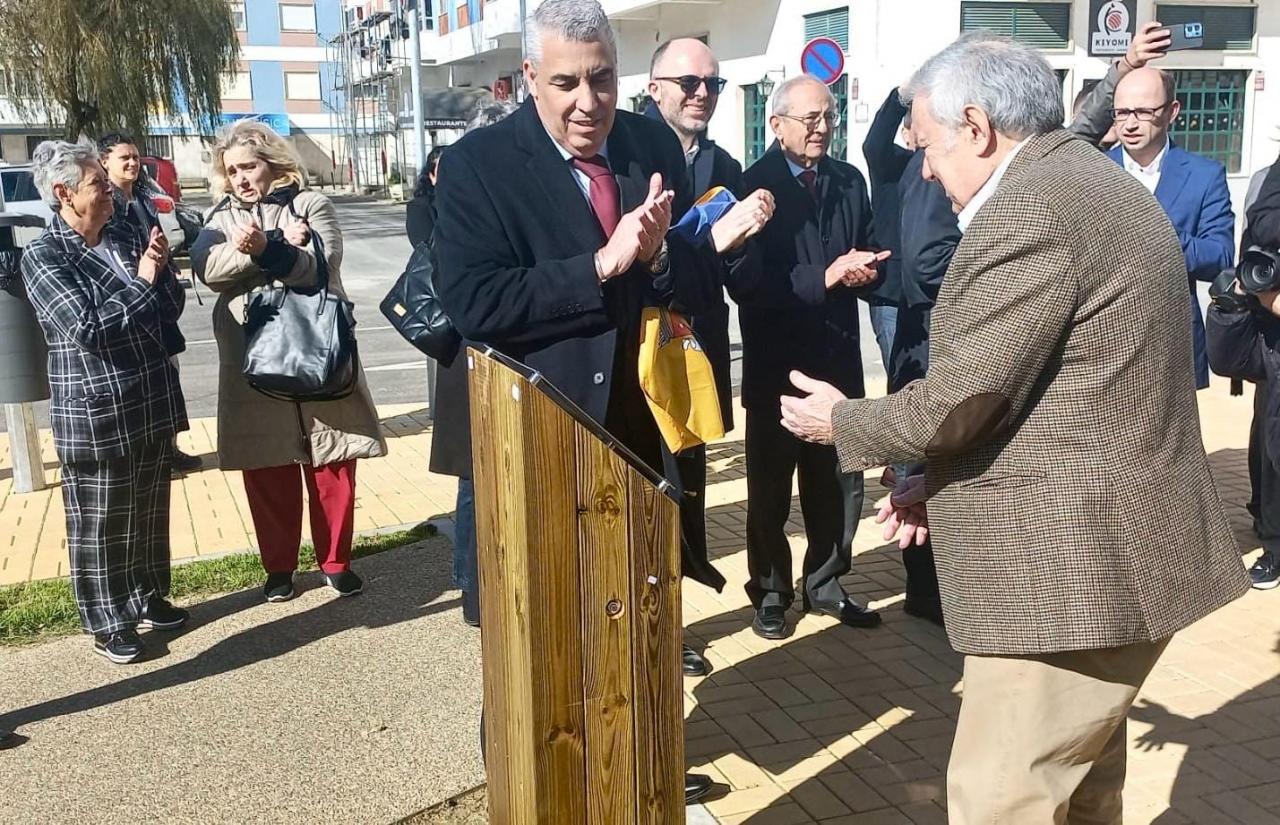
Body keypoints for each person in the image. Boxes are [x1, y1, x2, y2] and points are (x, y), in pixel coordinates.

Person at [779, 34, 1251, 821]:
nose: (923, 170)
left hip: (1070, 577)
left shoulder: (1030, 212)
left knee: (1000, 800)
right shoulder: (1082, 178)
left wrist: (844, 420)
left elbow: (960, 400)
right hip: (1104, 561)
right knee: (1082, 794)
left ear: (976, 125)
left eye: (926, 146)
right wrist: (940, 477)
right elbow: (1071, 391)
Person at [432, 0, 724, 804]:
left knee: (637, 622)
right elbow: (474, 302)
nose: (587, 102)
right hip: (528, 438)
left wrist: (661, 263)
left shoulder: (651, 144)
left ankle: (638, 770)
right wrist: (601, 265)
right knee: (537, 642)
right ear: (531, 77)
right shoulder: (478, 166)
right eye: (565, 83)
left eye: (602, 79)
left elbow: (697, 276)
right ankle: (527, 787)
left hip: (634, 435)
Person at [191, 121, 387, 602]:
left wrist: (267, 245)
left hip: (318, 350)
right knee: (267, 465)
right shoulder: (217, 218)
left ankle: (337, 563)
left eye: (249, 166)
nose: (240, 178)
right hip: (252, 363)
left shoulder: (312, 204)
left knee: (333, 462)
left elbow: (320, 266)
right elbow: (210, 270)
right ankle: (279, 569)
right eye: (232, 169)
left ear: (272, 164)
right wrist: (269, 247)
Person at [22, 140, 190, 664]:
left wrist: (160, 273)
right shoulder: (44, 257)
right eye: (97, 184)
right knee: (101, 520)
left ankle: (146, 595)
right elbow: (87, 328)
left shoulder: (120, 234)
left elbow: (167, 304)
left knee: (147, 508)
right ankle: (107, 618)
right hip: (97, 409)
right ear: (63, 194)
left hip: (149, 396)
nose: (111, 193)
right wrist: (144, 280)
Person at [737, 74, 889, 641]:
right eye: (810, 119)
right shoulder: (754, 187)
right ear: (776, 125)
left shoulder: (849, 181)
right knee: (769, 490)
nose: (823, 128)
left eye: (829, 117)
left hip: (837, 360)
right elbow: (747, 282)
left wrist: (871, 269)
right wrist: (823, 276)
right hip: (777, 364)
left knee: (833, 487)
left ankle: (825, 581)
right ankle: (771, 592)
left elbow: (871, 245)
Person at [645, 36, 775, 675]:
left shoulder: (726, 163)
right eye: (689, 82)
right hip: (642, 356)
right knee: (649, 491)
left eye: (714, 85)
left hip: (701, 348)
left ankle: (672, 625)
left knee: (687, 492)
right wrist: (707, 242)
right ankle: (649, 630)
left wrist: (748, 238)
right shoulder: (629, 151)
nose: (703, 94)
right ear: (655, 88)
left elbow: (742, 280)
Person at [425, 101, 519, 627]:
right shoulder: (464, 198)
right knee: (475, 483)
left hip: (496, 363)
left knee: (482, 480)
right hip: (473, 360)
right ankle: (472, 584)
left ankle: (478, 585)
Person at [1109, 65, 1236, 390]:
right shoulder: (1093, 171)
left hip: (1172, 342)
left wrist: (1158, 235)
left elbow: (1220, 256)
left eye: (1143, 111)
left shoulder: (1204, 176)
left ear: (1171, 112)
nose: (1130, 123)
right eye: (1122, 112)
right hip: (1102, 340)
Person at [99, 132, 203, 475]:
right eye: (124, 158)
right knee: (144, 383)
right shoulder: (106, 204)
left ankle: (169, 449)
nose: (133, 163)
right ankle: (154, 454)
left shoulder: (144, 197)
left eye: (135, 157)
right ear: (104, 162)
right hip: (133, 301)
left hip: (158, 300)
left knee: (168, 376)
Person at [406, 144, 446, 248]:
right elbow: (425, 247)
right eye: (443, 170)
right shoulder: (420, 208)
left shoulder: (471, 201)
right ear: (431, 176)